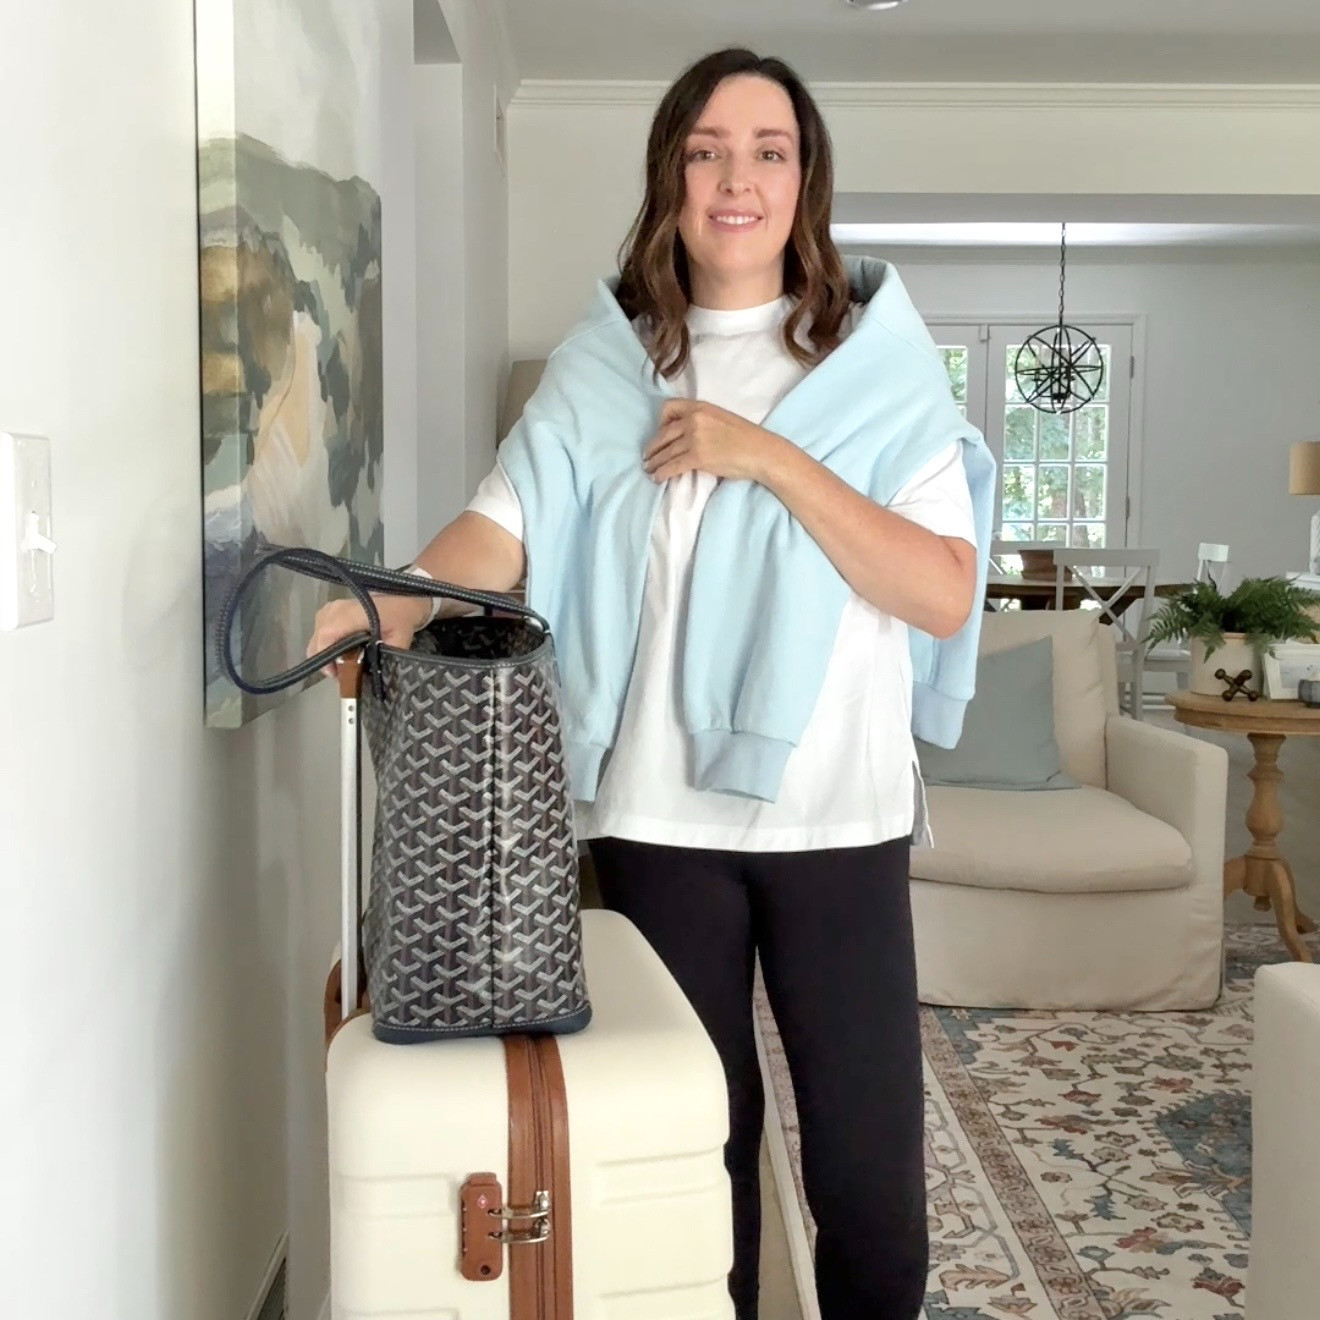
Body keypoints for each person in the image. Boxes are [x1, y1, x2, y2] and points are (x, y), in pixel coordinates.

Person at [309, 47, 994, 1320]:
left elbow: (944, 590)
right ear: (671, 177)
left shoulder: (879, 368)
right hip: (655, 820)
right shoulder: (606, 365)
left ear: (805, 181)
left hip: (835, 818)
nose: (737, 178)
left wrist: (764, 456)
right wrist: (376, 605)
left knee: (868, 1174)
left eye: (768, 151)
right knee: (694, 1156)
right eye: (707, 151)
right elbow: (499, 530)